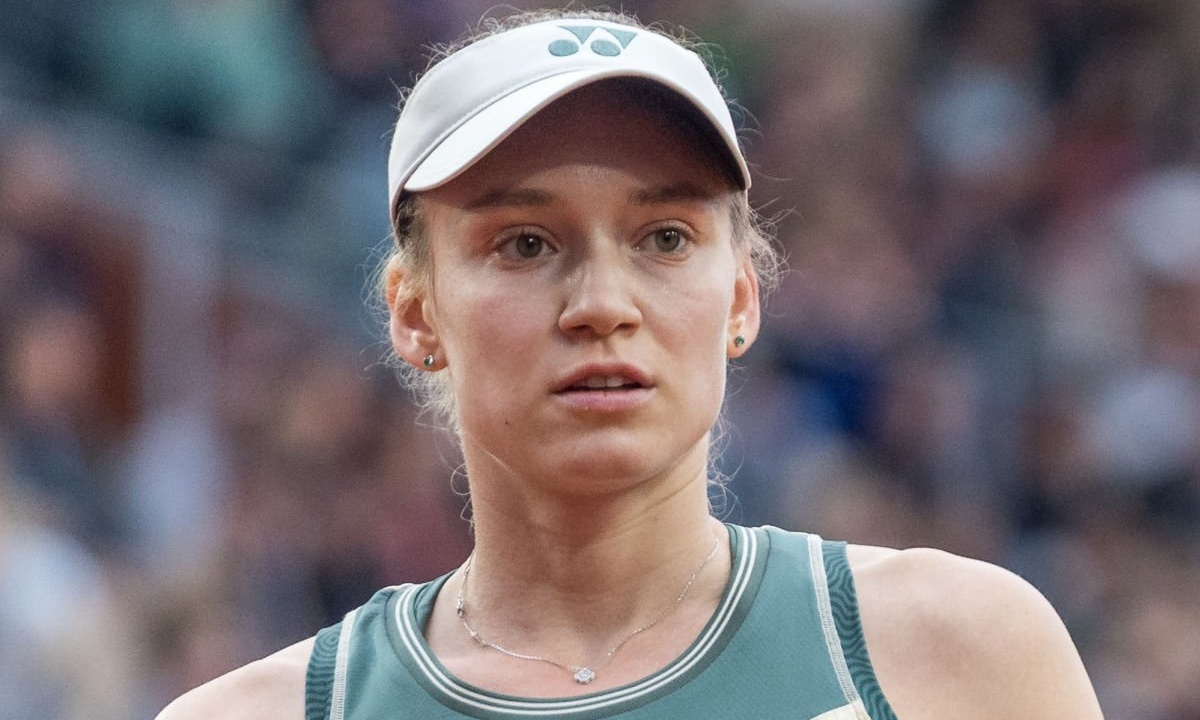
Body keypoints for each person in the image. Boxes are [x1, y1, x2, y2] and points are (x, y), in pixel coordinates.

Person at [157, 8, 1104, 719]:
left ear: (742, 298)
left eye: (665, 237)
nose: (603, 304)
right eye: (525, 243)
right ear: (414, 312)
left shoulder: (963, 654)